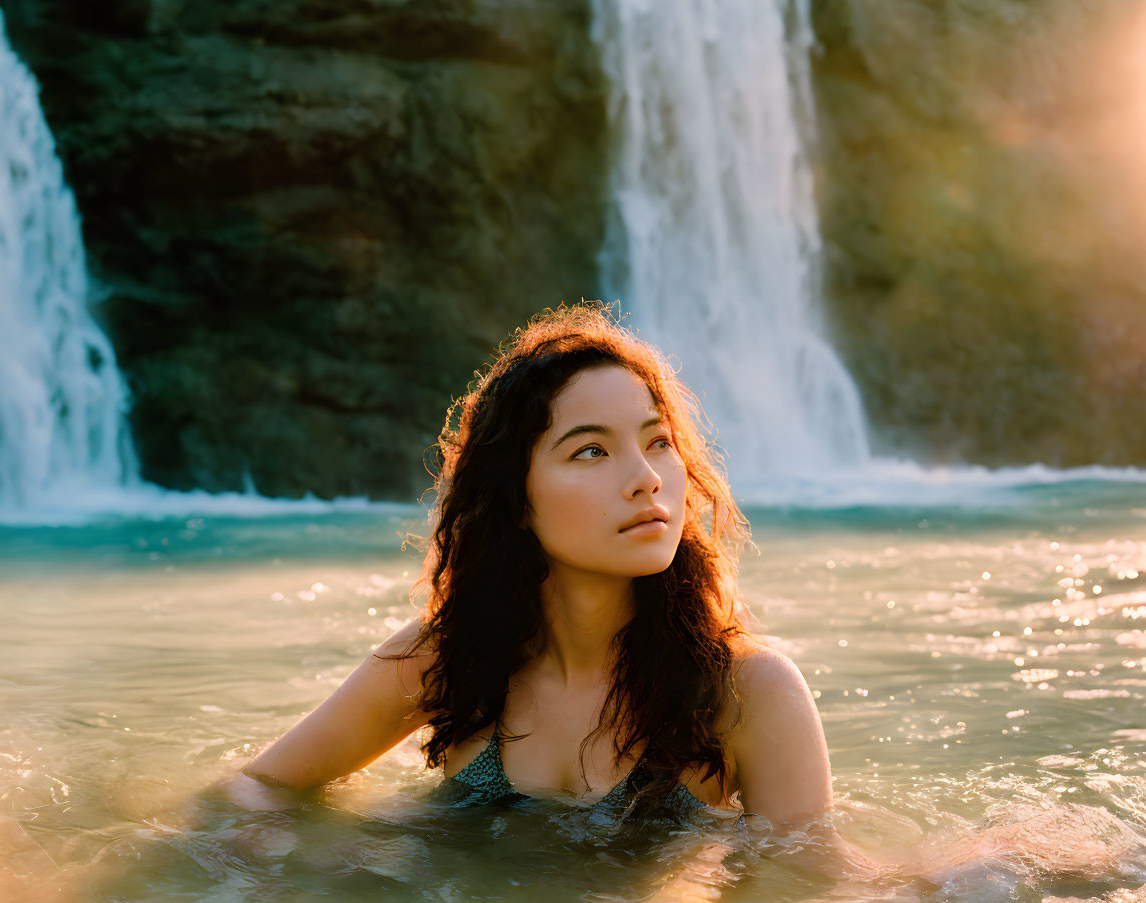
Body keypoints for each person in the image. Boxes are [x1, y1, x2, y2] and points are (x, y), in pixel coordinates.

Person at [233, 300, 832, 830]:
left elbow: (813, 881)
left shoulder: (745, 691)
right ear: (516, 500)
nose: (648, 480)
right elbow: (254, 791)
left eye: (658, 442)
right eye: (592, 451)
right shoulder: (442, 663)